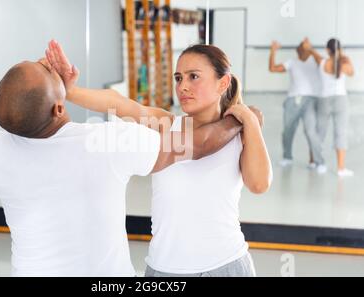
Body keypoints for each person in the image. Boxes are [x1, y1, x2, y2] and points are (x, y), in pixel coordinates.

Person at [0, 44, 245, 276]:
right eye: (44, 69)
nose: (46, 62)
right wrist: (241, 120)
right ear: (58, 109)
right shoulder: (106, 142)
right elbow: (198, 143)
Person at [47, 40, 272, 277]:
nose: (183, 86)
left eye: (193, 76)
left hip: (226, 265)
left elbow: (259, 184)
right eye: (178, 78)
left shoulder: (240, 131)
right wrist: (68, 90)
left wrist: (250, 119)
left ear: (223, 83)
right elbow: (117, 103)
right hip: (165, 270)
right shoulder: (165, 125)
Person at [269, 39, 325, 173]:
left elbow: (324, 63)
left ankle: (319, 162)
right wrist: (273, 50)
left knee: (311, 131)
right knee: (288, 130)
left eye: (307, 47)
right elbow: (272, 68)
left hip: (310, 100)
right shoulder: (292, 62)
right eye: (302, 47)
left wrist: (310, 49)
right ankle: (287, 157)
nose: (304, 49)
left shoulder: (316, 61)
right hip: (292, 100)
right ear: (298, 50)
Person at [305, 38, 355, 177]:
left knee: (319, 132)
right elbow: (352, 73)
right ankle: (340, 168)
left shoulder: (322, 62)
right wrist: (344, 57)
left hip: (324, 100)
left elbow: (312, 52)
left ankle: (316, 162)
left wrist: (308, 46)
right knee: (341, 133)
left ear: (327, 50)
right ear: (339, 50)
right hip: (341, 100)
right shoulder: (344, 63)